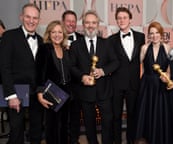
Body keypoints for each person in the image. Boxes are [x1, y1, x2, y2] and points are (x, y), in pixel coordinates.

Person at [69, 10, 119, 144]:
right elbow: (72, 66)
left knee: (107, 122)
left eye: (93, 22)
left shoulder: (106, 43)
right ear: (83, 24)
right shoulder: (75, 45)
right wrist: (82, 76)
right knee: (89, 124)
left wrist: (103, 71)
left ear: (98, 24)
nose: (90, 25)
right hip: (85, 92)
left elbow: (115, 62)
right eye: (87, 22)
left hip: (105, 91)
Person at [0, 3, 44, 144]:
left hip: (36, 94)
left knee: (36, 131)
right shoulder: (9, 36)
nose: (31, 21)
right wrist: (11, 95)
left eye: (35, 18)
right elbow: (4, 67)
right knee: (16, 132)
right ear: (21, 17)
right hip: (16, 93)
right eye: (28, 17)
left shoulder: (42, 41)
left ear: (38, 20)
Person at [108, 7, 145, 144]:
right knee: (116, 116)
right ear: (116, 21)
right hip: (116, 84)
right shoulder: (111, 40)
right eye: (119, 18)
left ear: (130, 19)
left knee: (132, 115)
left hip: (134, 84)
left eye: (124, 17)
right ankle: (117, 141)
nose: (122, 20)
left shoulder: (141, 37)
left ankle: (131, 140)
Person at [35, 20, 71, 144]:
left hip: (66, 94)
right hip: (51, 92)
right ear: (49, 34)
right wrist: (40, 93)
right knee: (52, 126)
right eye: (53, 32)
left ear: (64, 34)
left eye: (60, 32)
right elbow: (39, 72)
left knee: (64, 125)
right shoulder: (44, 48)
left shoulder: (66, 50)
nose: (57, 35)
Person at [135, 21, 170, 144]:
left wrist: (167, 77)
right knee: (147, 113)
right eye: (151, 33)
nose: (154, 36)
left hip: (161, 85)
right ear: (149, 35)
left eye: (157, 33)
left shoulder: (167, 47)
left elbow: (169, 69)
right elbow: (141, 68)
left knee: (159, 112)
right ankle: (148, 137)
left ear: (161, 34)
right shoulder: (144, 48)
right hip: (147, 85)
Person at [61, 9, 83, 144]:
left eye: (73, 21)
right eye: (68, 21)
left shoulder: (82, 39)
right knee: (62, 117)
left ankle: (74, 140)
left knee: (76, 116)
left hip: (78, 86)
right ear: (63, 22)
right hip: (61, 86)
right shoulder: (56, 38)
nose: (71, 24)